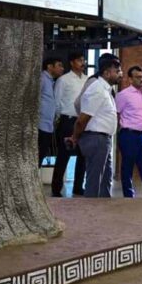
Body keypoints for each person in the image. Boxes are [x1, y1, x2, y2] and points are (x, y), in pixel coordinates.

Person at [67, 57, 122, 198]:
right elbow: (82, 120)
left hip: (103, 139)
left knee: (105, 180)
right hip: (96, 139)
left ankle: (103, 208)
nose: (120, 74)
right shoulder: (97, 89)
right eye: (117, 71)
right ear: (107, 73)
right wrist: (75, 137)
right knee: (94, 182)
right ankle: (90, 209)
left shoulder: (106, 89)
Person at [115, 65, 142, 198]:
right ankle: (129, 197)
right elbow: (115, 114)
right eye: (138, 77)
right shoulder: (123, 95)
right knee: (127, 167)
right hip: (128, 135)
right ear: (130, 79)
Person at [52, 51, 88, 197]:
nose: (83, 63)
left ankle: (78, 186)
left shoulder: (87, 80)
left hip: (83, 120)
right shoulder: (63, 80)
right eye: (79, 60)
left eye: (83, 60)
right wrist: (60, 119)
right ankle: (56, 188)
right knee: (64, 155)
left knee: (82, 155)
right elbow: (56, 102)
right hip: (68, 120)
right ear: (72, 63)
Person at [39, 57, 64, 167]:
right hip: (41, 125)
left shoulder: (51, 81)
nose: (62, 69)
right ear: (49, 66)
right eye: (59, 65)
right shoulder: (42, 79)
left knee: (42, 154)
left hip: (47, 125)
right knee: (38, 155)